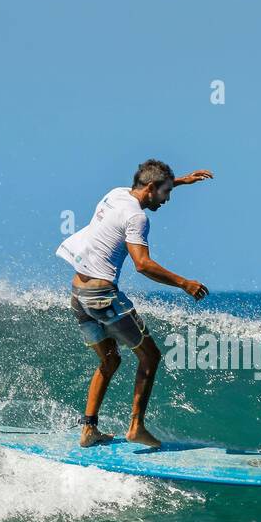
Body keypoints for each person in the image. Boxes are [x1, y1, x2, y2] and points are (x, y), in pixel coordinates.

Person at [56, 159, 211, 448]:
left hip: (78, 293)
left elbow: (145, 186)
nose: (167, 200)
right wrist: (184, 283)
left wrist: (181, 181)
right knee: (150, 357)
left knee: (110, 359)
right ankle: (136, 427)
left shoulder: (116, 194)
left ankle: (89, 429)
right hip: (102, 296)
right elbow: (142, 265)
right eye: (166, 193)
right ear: (151, 188)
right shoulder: (138, 218)